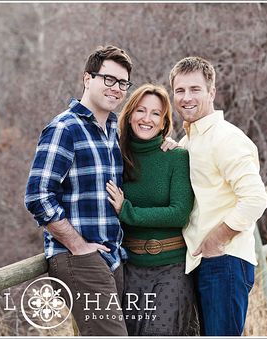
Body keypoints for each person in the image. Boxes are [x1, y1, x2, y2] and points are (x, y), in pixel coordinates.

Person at [24, 45, 133, 336]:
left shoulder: (112, 130)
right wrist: (78, 246)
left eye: (123, 83)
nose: (116, 88)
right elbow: (37, 195)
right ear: (88, 79)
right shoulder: (65, 128)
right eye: (108, 79)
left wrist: (169, 144)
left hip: (112, 256)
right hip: (78, 258)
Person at [169, 56, 267, 336]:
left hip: (224, 261)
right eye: (180, 90)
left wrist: (217, 238)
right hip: (204, 263)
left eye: (195, 89)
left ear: (211, 92)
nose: (186, 97)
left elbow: (255, 199)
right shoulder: (190, 141)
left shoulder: (227, 139)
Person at [105, 83, 198, 336]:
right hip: (130, 269)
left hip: (171, 268)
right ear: (130, 114)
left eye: (155, 113)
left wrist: (128, 211)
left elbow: (179, 212)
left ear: (164, 121)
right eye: (141, 111)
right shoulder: (116, 156)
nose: (147, 119)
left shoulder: (176, 157)